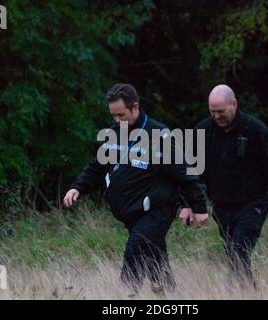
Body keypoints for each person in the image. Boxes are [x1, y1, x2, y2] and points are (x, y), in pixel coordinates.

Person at [64, 83, 208, 296]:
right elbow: (96, 167)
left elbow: (185, 172)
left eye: (120, 114)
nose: (116, 120)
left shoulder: (159, 135)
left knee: (136, 250)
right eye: (113, 115)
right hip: (132, 214)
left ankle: (125, 296)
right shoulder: (114, 134)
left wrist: (197, 206)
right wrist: (77, 187)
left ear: (135, 107)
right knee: (154, 257)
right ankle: (168, 295)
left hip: (157, 209)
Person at [180, 84, 268, 287]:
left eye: (221, 111)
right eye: (212, 111)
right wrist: (188, 204)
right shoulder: (201, 132)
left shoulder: (256, 130)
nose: (217, 116)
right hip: (222, 208)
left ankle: (235, 292)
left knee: (238, 251)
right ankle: (247, 292)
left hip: (252, 204)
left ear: (234, 104)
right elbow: (190, 172)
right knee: (235, 257)